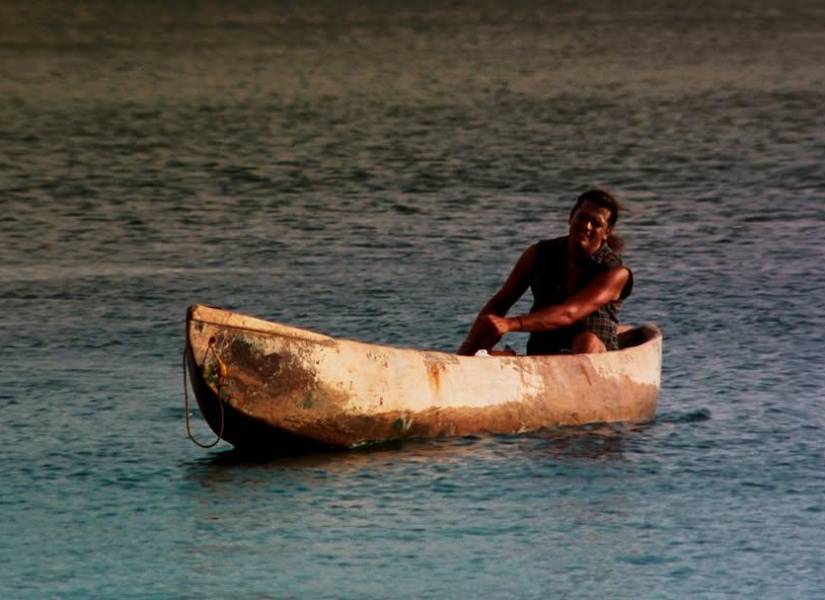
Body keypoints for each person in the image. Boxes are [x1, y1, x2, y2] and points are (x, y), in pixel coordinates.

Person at [457, 189, 633, 356]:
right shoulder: (538, 254)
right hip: (544, 352)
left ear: (606, 232)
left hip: (593, 355)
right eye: (581, 218)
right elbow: (501, 302)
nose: (586, 226)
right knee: (486, 330)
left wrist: (511, 324)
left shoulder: (615, 272)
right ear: (571, 218)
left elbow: (569, 313)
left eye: (596, 223)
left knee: (586, 341)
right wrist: (472, 344)